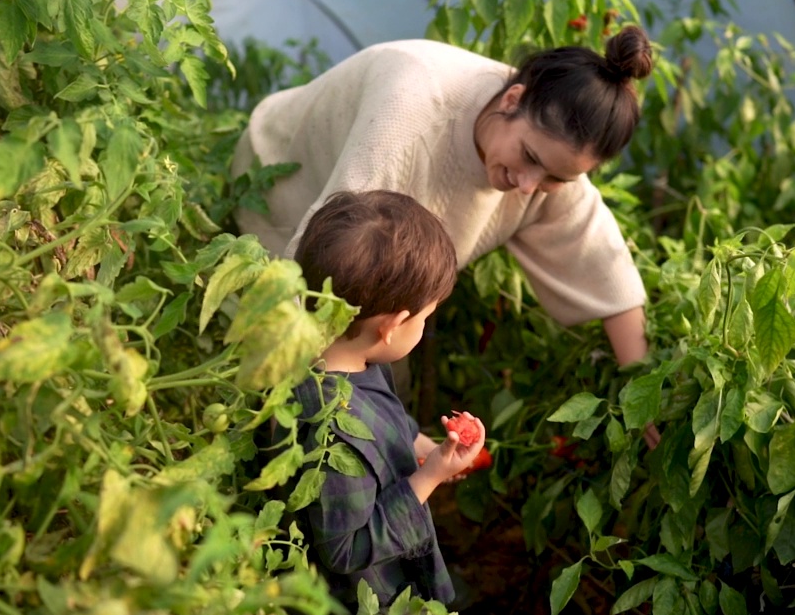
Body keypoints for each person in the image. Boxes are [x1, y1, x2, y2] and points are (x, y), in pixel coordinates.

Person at [233, 26, 655, 377]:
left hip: (362, 242)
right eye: (530, 158)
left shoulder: (550, 144)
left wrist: (642, 391)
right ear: (512, 100)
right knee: (302, 352)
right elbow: (322, 257)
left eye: (556, 179)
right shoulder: (411, 112)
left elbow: (603, 265)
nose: (529, 185)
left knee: (376, 368)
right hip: (285, 186)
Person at [289, 189, 487, 613]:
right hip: (371, 614)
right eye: (425, 317)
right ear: (393, 326)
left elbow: (385, 414)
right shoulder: (332, 427)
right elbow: (345, 550)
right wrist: (429, 476)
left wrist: (423, 447)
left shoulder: (351, 361)